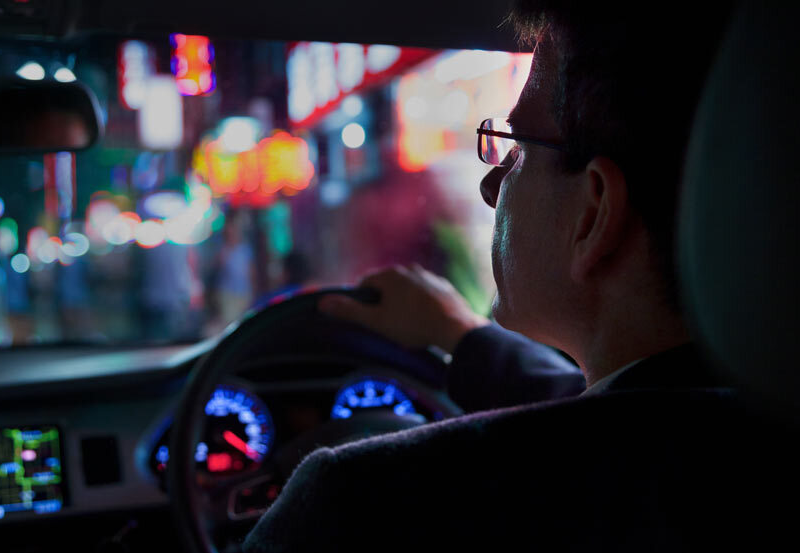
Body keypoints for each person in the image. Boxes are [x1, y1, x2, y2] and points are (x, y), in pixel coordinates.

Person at [243, 2, 748, 551]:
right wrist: (463, 336)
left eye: (518, 148)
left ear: (593, 213)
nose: (490, 186)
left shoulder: (365, 501)